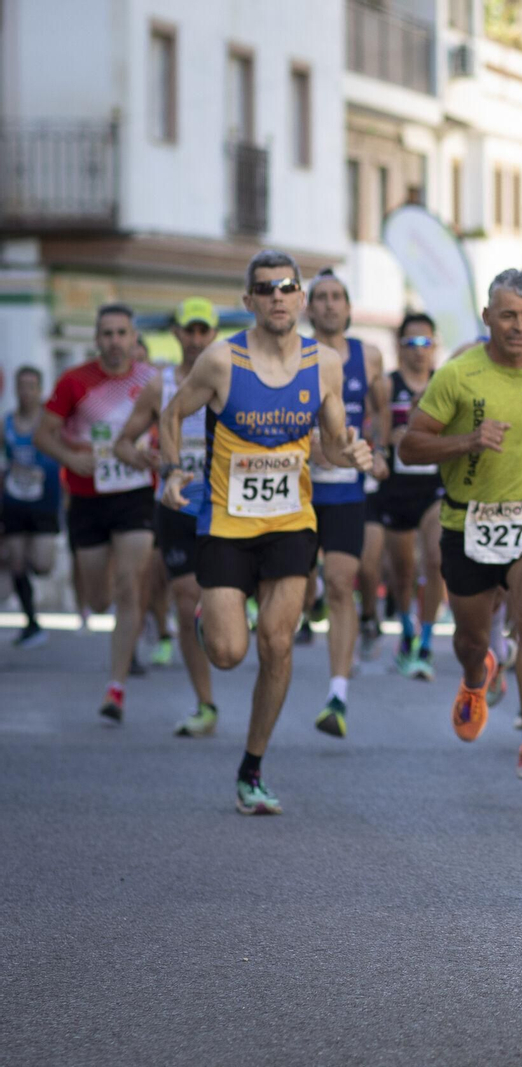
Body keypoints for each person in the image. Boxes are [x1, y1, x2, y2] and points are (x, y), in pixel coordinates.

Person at [159, 250, 373, 814]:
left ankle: (252, 768)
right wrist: (170, 470)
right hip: (226, 523)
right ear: (248, 300)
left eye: (286, 287)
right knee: (229, 653)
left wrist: (353, 452)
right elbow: (171, 415)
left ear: (300, 298)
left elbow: (330, 444)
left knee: (277, 643)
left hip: (291, 523)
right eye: (265, 288)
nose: (277, 297)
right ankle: (215, 613)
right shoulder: (220, 361)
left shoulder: (324, 363)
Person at [399, 269, 522, 779]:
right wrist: (467, 441)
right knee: (471, 640)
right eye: (507, 316)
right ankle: (476, 677)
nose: (518, 327)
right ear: (487, 318)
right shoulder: (458, 374)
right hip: (468, 521)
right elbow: (409, 445)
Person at [33, 304, 158, 722]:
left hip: (135, 493)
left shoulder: (151, 381)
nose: (115, 341)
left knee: (128, 585)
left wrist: (159, 457)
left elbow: (171, 430)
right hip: (88, 496)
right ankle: (102, 599)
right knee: (101, 599)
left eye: (122, 332)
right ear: (97, 339)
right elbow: (41, 435)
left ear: (133, 336)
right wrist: (70, 457)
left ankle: (116, 687)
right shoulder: (75, 382)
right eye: (107, 333)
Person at [113, 298, 221, 735]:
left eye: (203, 331)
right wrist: (147, 460)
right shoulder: (160, 387)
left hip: (225, 503)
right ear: (176, 333)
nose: (195, 339)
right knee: (184, 595)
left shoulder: (231, 378)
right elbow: (123, 442)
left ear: (213, 335)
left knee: (216, 597)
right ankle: (206, 704)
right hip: (176, 504)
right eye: (188, 330)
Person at [301, 270, 389, 738]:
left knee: (340, 582)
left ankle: (337, 692)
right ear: (309, 308)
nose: (330, 305)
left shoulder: (369, 356)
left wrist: (379, 452)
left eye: (337, 297)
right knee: (295, 589)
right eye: (321, 298)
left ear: (349, 308)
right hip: (296, 488)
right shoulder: (294, 355)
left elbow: (380, 409)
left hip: (346, 489)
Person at [376, 312, 447, 680]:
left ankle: (428, 641)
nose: (419, 351)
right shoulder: (388, 386)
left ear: (435, 345)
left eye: (425, 343)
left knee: (434, 561)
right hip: (397, 487)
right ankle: (406, 627)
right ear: (399, 347)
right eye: (411, 343)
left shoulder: (444, 384)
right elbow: (379, 435)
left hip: (434, 487)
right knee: (402, 573)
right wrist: (393, 438)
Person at [3, 365, 62, 648]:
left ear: (39, 389)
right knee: (16, 560)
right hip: (13, 503)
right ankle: (31, 623)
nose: (26, 392)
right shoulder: (7, 424)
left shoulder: (50, 423)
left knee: (42, 564)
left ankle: (19, 566)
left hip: (44, 504)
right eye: (21, 386)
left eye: (31, 386)